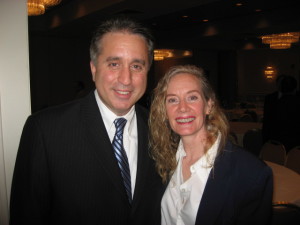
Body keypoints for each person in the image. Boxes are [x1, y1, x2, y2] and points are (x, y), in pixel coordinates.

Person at [10, 17, 163, 225]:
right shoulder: (45, 130)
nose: (126, 79)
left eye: (136, 66)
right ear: (93, 69)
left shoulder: (160, 128)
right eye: (114, 64)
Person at [149, 65, 273, 225]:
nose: (182, 108)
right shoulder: (161, 161)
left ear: (209, 105)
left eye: (192, 97)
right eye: (172, 100)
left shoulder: (251, 174)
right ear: (164, 111)